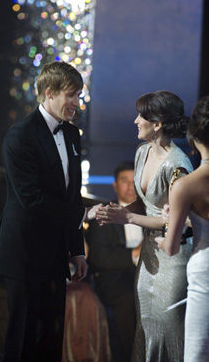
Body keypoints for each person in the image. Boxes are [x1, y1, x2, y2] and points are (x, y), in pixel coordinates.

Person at [0, 61, 98, 362]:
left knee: (52, 337)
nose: (77, 103)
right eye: (71, 95)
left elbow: (71, 195)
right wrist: (83, 215)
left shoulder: (72, 135)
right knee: (23, 339)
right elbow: (31, 200)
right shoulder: (20, 135)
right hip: (23, 253)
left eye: (79, 95)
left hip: (55, 254)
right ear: (49, 93)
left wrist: (77, 251)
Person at [96, 90, 193, 362]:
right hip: (148, 258)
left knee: (167, 330)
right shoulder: (142, 152)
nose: (136, 120)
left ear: (158, 123)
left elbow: (178, 220)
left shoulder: (178, 164)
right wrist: (118, 212)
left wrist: (127, 219)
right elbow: (143, 204)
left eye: (142, 116)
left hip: (171, 259)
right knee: (146, 328)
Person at [156, 95, 209, 361]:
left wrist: (166, 227)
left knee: (197, 353)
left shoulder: (187, 185)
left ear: (195, 134)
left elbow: (171, 247)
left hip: (205, 271)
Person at [84, 161, 143, 362]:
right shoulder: (103, 214)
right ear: (115, 185)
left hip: (145, 274)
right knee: (127, 299)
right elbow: (99, 257)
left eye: (133, 181)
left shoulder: (150, 211)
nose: (129, 186)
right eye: (124, 181)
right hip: (113, 278)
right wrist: (135, 254)